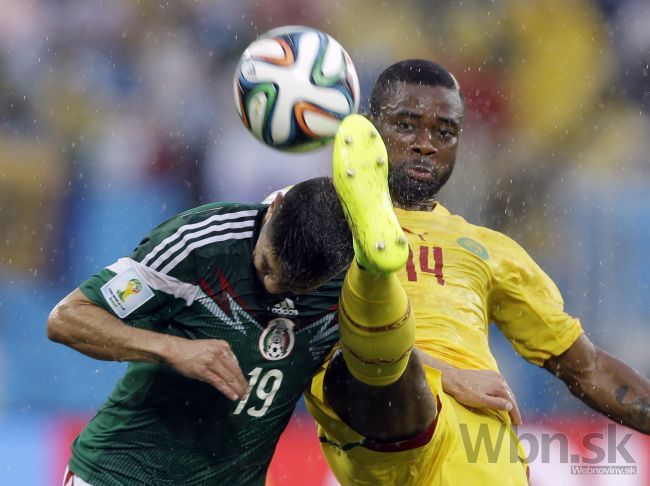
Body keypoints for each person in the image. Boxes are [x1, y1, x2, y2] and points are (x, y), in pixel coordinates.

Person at [305, 61, 650, 485]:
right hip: (389, 420)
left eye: (444, 133)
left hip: (478, 450)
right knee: (370, 367)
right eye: (406, 126)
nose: (426, 145)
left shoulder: (488, 248)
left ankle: (376, 280)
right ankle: (374, 270)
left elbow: (587, 367)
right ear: (372, 127)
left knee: (377, 363)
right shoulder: (315, 219)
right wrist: (444, 374)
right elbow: (297, 325)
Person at [47, 177, 355, 485]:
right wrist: (172, 348)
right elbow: (67, 318)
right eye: (266, 266)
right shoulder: (197, 244)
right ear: (273, 210)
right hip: (121, 474)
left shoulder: (354, 283)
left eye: (295, 288)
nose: (273, 287)